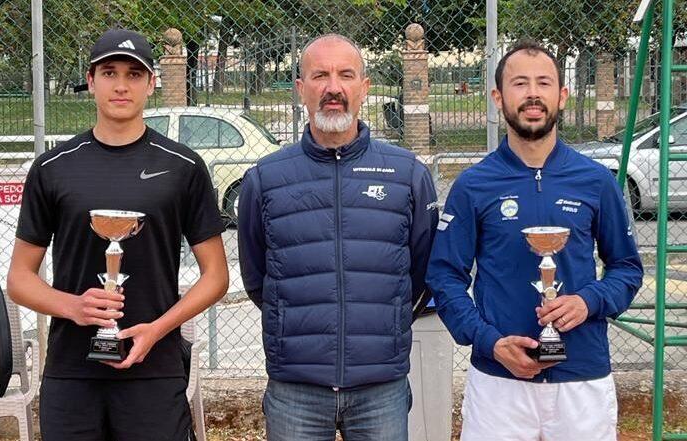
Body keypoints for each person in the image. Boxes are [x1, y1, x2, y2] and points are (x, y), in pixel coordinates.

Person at [7, 28, 228, 441]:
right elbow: (19, 278)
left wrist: (158, 329)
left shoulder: (184, 166)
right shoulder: (53, 167)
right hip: (71, 373)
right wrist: (73, 307)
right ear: (90, 81)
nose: (122, 85)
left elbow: (216, 276)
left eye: (134, 74)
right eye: (109, 72)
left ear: (151, 83)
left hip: (154, 370)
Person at [426, 40, 643, 441]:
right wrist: (489, 342)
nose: (532, 95)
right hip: (499, 382)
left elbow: (627, 269)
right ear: (497, 97)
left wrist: (587, 301)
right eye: (519, 83)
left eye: (543, 83)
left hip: (582, 378)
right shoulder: (474, 185)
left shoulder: (596, 181)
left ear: (562, 95)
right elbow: (444, 277)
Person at [238, 33, 438, 441]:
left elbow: (423, 272)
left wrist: (385, 320)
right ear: (301, 89)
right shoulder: (266, 178)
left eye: (346, 75)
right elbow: (258, 277)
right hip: (295, 386)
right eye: (320, 76)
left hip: (380, 385)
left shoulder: (407, 174)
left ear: (364, 87)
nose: (333, 88)